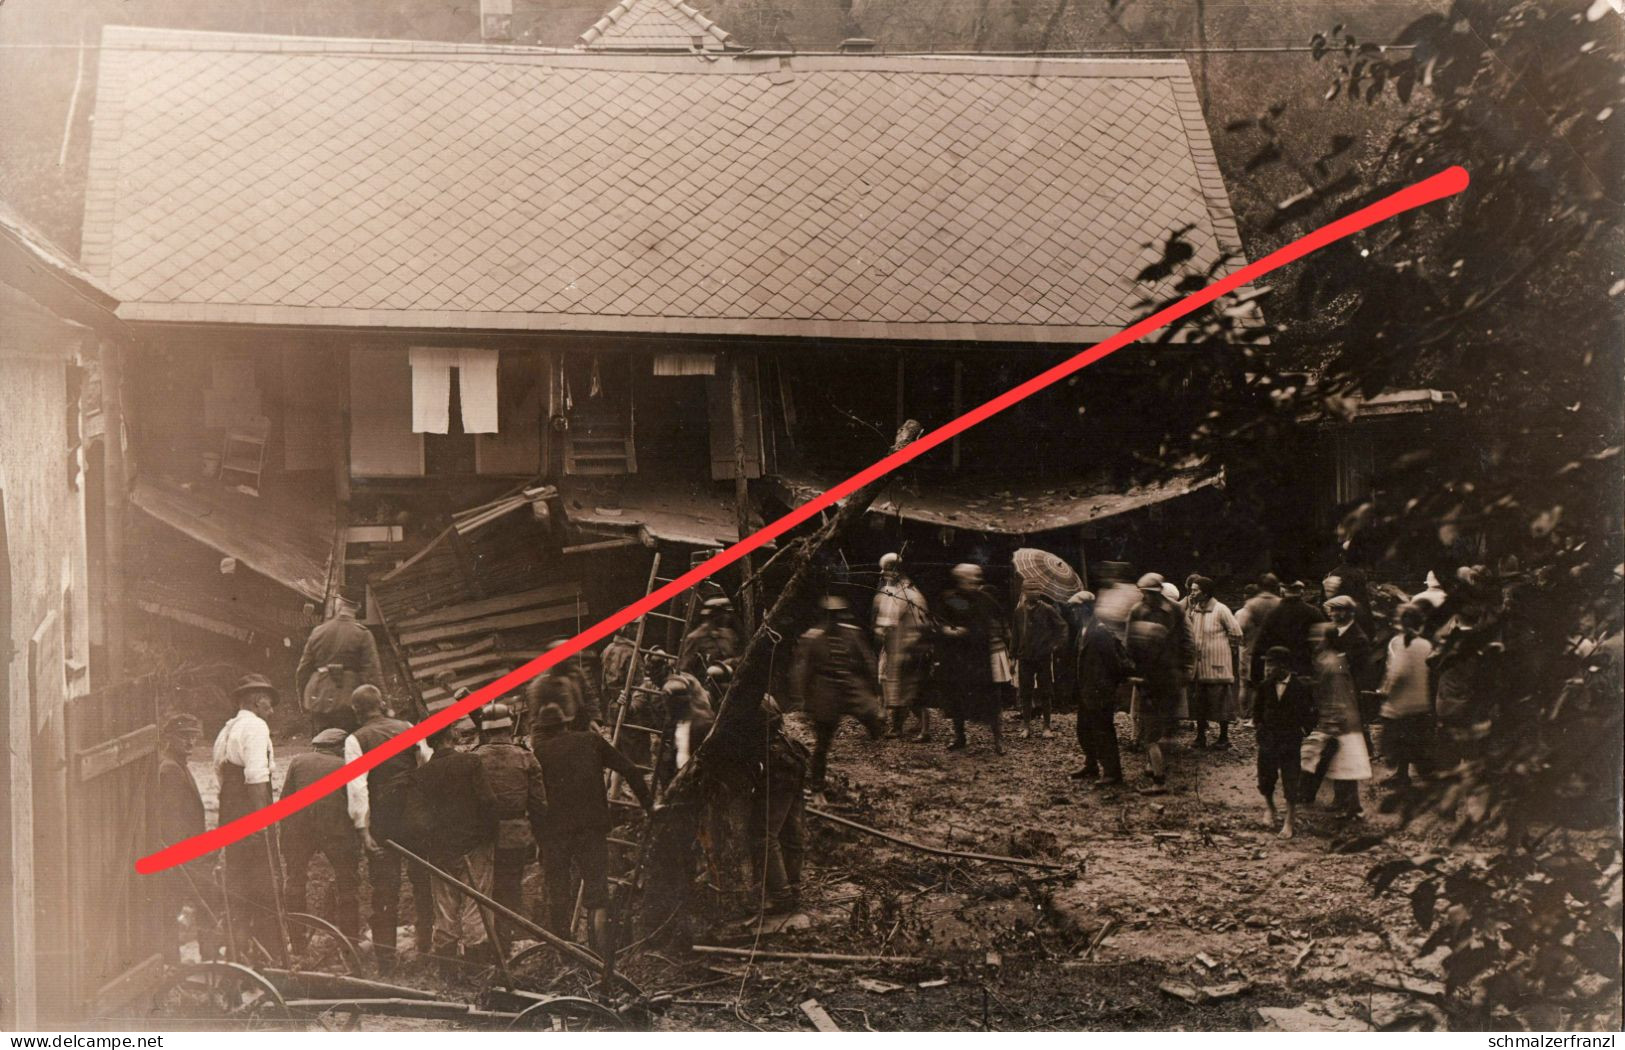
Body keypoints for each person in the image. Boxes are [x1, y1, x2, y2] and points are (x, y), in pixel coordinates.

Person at [531, 703, 653, 952]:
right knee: (597, 891)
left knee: (558, 892)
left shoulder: (539, 753)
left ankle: (564, 953)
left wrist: (539, 837)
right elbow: (629, 769)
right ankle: (601, 955)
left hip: (554, 833)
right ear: (566, 723)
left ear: (543, 729)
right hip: (591, 827)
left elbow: (534, 799)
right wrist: (650, 807)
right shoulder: (591, 740)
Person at [344, 685, 435, 974]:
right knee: (423, 883)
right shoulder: (407, 727)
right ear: (381, 704)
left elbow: (357, 786)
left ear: (357, 711)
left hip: (384, 820)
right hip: (416, 816)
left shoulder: (356, 739)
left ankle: (386, 961)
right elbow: (426, 763)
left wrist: (362, 828)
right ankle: (426, 949)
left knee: (385, 889)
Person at [408, 721, 499, 965]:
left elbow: (417, 819)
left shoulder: (421, 775)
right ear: (452, 735)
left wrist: (434, 844)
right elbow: (488, 802)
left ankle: (447, 969)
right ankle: (477, 966)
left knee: (445, 907)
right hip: (475, 846)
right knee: (477, 904)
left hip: (441, 850)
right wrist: (487, 838)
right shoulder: (470, 763)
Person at [211, 674, 286, 962]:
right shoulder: (255, 726)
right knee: (265, 887)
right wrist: (263, 822)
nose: (272, 711)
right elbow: (256, 777)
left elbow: (221, 776)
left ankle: (238, 957)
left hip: (231, 813)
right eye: (268, 704)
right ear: (256, 701)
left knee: (238, 886)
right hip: (251, 812)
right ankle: (271, 958)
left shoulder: (227, 729)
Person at [791, 595, 885, 800]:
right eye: (829, 615)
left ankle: (878, 746)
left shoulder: (853, 634)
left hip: (852, 687)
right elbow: (804, 672)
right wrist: (804, 701)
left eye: (837, 615)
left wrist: (876, 693)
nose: (833, 620)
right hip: (826, 691)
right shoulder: (812, 638)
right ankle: (817, 787)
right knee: (822, 742)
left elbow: (868, 661)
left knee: (875, 717)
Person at [472, 702, 548, 940]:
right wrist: (539, 837)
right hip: (516, 835)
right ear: (509, 726)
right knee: (512, 886)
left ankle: (489, 941)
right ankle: (508, 938)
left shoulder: (474, 758)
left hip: (483, 836)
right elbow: (539, 804)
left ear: (485, 730)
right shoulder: (526, 757)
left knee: (485, 889)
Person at [280, 728, 361, 942]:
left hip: (299, 829)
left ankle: (297, 941)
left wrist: (286, 835)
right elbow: (356, 804)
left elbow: (285, 800)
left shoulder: (298, 762)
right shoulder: (346, 765)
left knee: (295, 881)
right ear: (340, 748)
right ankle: (350, 942)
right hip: (336, 830)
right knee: (347, 883)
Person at [1126, 574, 1193, 795]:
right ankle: (1155, 766)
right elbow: (1129, 644)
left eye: (1150, 593)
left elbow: (1187, 640)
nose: (1147, 597)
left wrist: (1187, 667)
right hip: (1147, 676)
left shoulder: (1175, 611)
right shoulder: (1137, 611)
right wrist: (1132, 670)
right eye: (1144, 593)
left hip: (1169, 674)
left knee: (1161, 727)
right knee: (1149, 726)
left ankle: (1158, 773)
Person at [934, 564, 1006, 755]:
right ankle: (960, 737)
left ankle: (998, 740)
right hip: (957, 659)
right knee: (956, 699)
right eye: (971, 577)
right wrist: (947, 630)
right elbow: (938, 622)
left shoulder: (985, 599)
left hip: (979, 659)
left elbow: (997, 621)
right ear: (960, 579)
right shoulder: (951, 598)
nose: (976, 580)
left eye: (977, 576)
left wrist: (981, 632)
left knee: (990, 700)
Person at [157, 712, 211, 962]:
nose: (190, 742)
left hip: (187, 853)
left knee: (176, 908)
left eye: (193, 736)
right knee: (194, 905)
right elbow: (171, 820)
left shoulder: (178, 765)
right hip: (181, 855)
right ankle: (205, 960)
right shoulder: (170, 769)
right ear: (169, 737)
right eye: (183, 736)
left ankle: (179, 962)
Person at [1301, 624, 1371, 817]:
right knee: (1340, 763)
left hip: (1340, 718)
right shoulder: (1330, 659)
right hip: (1338, 716)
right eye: (1313, 636)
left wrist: (1334, 718)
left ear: (1328, 640)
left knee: (1345, 763)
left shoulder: (1332, 662)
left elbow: (1339, 692)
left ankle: (1353, 806)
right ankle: (1345, 802)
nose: (1314, 640)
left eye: (1319, 637)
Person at [750, 697, 810, 913]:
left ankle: (781, 896)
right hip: (790, 757)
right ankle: (792, 889)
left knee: (764, 835)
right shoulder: (764, 696)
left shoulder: (746, 699)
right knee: (790, 830)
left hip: (777, 765)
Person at [1070, 592, 1132, 786]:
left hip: (1099, 690)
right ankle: (1091, 764)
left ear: (1085, 609)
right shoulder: (1083, 630)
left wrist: (1107, 686)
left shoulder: (1100, 631)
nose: (1073, 612)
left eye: (1075, 608)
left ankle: (1113, 772)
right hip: (1086, 688)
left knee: (1103, 731)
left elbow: (1113, 663)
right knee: (1084, 729)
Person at [295, 595, 383, 733]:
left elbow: (303, 670)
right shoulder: (362, 634)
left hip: (317, 698)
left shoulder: (318, 631)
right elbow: (372, 673)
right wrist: (382, 705)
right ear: (357, 608)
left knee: (321, 740)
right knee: (347, 740)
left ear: (338, 606)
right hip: (349, 699)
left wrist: (303, 701)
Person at [1255, 646, 1315, 838]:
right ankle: (1270, 807)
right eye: (1266, 664)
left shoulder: (1300, 687)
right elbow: (1257, 711)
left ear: (1284, 666)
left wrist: (1304, 730)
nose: (1267, 668)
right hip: (1269, 739)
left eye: (1271, 664)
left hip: (1290, 740)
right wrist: (1261, 729)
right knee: (1266, 777)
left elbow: (1311, 713)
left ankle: (1289, 819)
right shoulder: (1264, 686)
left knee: (1290, 779)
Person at [871, 553, 932, 741]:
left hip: (909, 646)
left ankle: (922, 729)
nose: (883, 574)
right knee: (890, 685)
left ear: (896, 571)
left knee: (911, 689)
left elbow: (919, 624)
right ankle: (897, 726)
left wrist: (909, 644)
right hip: (893, 646)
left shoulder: (910, 594)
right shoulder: (889, 591)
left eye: (887, 570)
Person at [1377, 603, 1434, 788]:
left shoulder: (1400, 642)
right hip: (1420, 701)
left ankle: (1404, 775)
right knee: (1413, 740)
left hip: (1400, 702)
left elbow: (1397, 670)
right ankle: (1410, 775)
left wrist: (1385, 690)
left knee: (1398, 741)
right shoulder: (1426, 644)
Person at [1184, 576, 1242, 751]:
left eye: (1195, 590)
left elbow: (1236, 632)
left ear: (1205, 592)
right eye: (1191, 590)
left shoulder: (1221, 609)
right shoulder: (1194, 610)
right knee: (1199, 703)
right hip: (1199, 667)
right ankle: (1200, 736)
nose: (1192, 593)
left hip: (1218, 666)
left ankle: (1224, 737)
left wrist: (1226, 651)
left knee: (1221, 703)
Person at [1013, 577, 1069, 739]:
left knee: (1046, 691)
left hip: (1043, 656)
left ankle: (1047, 726)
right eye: (1030, 589)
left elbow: (1062, 628)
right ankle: (1026, 725)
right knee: (1025, 691)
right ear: (1024, 592)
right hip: (1025, 657)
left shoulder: (1048, 609)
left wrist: (1055, 646)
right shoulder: (1019, 611)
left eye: (1037, 589)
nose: (1034, 592)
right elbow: (1016, 635)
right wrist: (1012, 656)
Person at [1235, 574, 1284, 721]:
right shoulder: (1280, 603)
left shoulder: (1251, 604)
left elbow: (1241, 628)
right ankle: (1268, 715)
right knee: (1273, 682)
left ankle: (1247, 716)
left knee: (1248, 684)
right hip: (1275, 649)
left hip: (1252, 649)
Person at [1256, 579, 1326, 677]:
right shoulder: (1313, 612)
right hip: (1304, 664)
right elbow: (1322, 640)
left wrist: (1257, 674)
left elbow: (1261, 643)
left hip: (1280, 665)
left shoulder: (1273, 613)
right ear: (1301, 592)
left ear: (1282, 592)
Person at [683, 596, 742, 674]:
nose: (727, 616)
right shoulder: (695, 638)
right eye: (723, 613)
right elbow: (685, 668)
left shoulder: (730, 634)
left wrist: (730, 663)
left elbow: (742, 657)